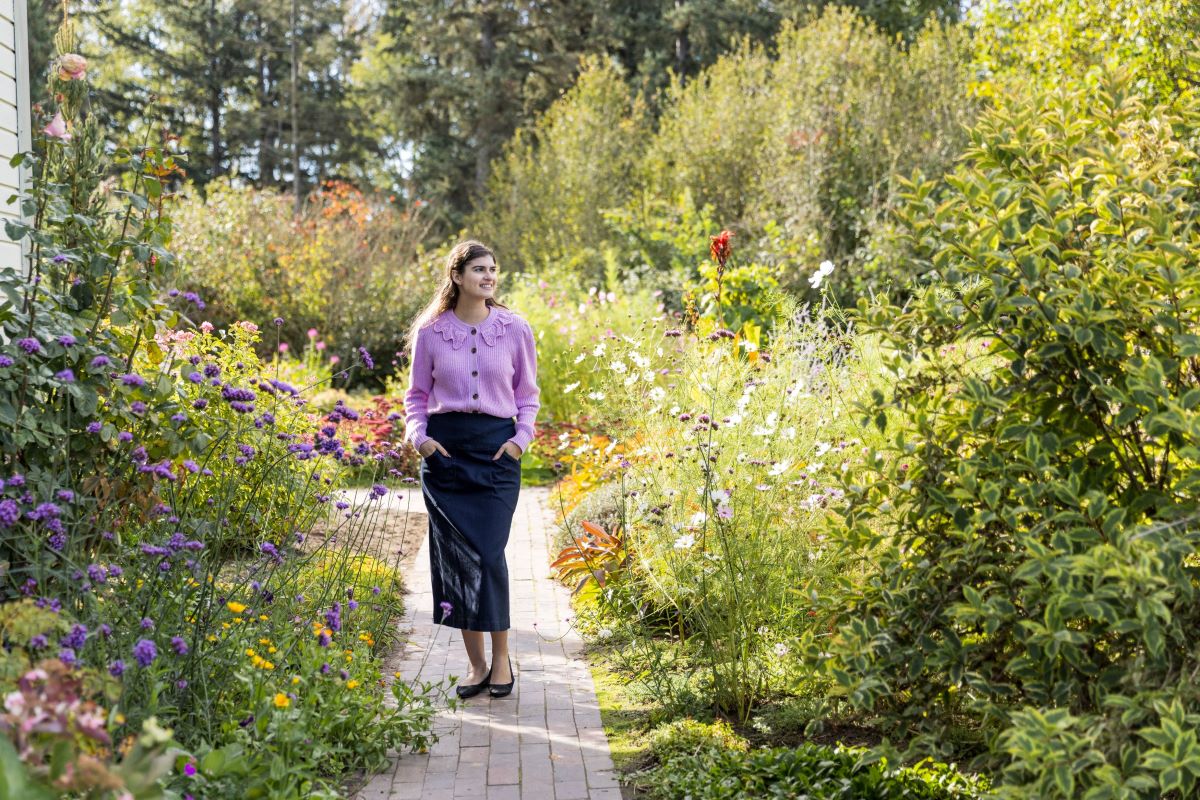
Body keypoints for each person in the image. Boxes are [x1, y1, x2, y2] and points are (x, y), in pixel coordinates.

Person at [403, 240, 539, 699]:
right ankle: (477, 664)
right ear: (457, 276)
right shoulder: (431, 332)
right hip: (447, 456)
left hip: (498, 454)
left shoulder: (516, 329)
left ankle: (502, 659)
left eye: (493, 269)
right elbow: (416, 397)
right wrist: (420, 440)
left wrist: (520, 442)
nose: (489, 276)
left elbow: (528, 396)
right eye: (479, 269)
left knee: (488, 554)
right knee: (458, 559)